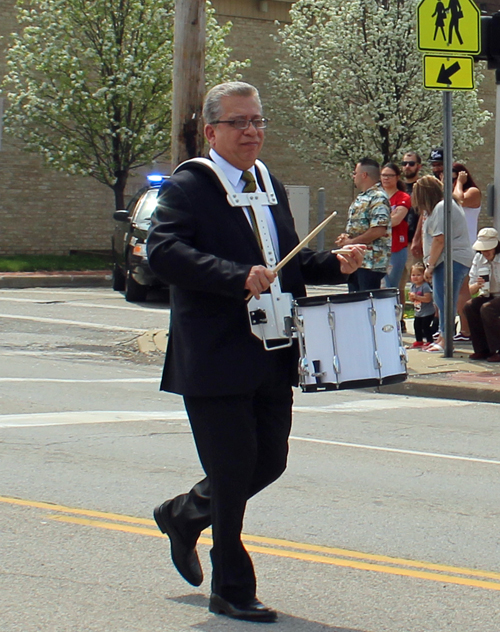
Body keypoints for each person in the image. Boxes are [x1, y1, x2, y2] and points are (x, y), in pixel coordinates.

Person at [146, 81, 365, 623]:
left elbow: (281, 263)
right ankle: (232, 586)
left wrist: (331, 265)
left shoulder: (267, 183)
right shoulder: (191, 184)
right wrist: (233, 276)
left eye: (258, 122)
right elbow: (162, 251)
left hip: (272, 349)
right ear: (212, 130)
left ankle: (182, 514)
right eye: (239, 123)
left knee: (268, 461)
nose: (251, 132)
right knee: (231, 469)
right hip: (216, 353)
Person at [411, 175, 473, 354]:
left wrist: (429, 267)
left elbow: (439, 239)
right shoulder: (438, 208)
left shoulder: (442, 207)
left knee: (445, 299)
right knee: (441, 299)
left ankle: (446, 340)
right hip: (446, 259)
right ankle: (442, 336)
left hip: (450, 258)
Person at [336, 157, 391, 292]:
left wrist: (351, 242)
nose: (353, 176)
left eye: (355, 173)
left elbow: (378, 230)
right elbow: (359, 226)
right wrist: (345, 238)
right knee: (354, 303)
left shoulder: (378, 197)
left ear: (364, 175)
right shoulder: (362, 197)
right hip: (356, 262)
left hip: (370, 263)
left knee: (367, 304)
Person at [452, 162, 482, 342]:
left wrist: (460, 183)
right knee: (452, 289)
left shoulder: (472, 192)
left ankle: (466, 329)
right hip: (453, 246)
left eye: (454, 177)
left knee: (464, 288)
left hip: (468, 246)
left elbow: (459, 199)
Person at [463, 228, 500, 362]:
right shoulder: (478, 258)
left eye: (488, 249)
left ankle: (497, 349)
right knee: (470, 306)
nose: (485, 252)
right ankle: (482, 349)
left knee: (488, 308)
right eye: (483, 249)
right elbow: (470, 290)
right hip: (488, 293)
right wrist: (478, 285)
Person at [380, 162, 411, 290]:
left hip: (396, 247)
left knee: (391, 287)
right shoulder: (377, 196)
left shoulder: (403, 197)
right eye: (383, 175)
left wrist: (378, 222)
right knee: (379, 286)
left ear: (397, 177)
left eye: (390, 175)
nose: (386, 178)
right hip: (378, 248)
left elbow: (396, 220)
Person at [408, 262, 435, 348]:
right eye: (413, 275)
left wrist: (416, 296)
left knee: (425, 326)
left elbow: (428, 299)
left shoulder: (425, 286)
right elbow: (412, 299)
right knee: (416, 326)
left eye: (418, 275)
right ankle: (419, 340)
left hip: (427, 311)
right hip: (418, 311)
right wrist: (412, 298)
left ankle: (429, 340)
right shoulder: (413, 286)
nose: (415, 277)